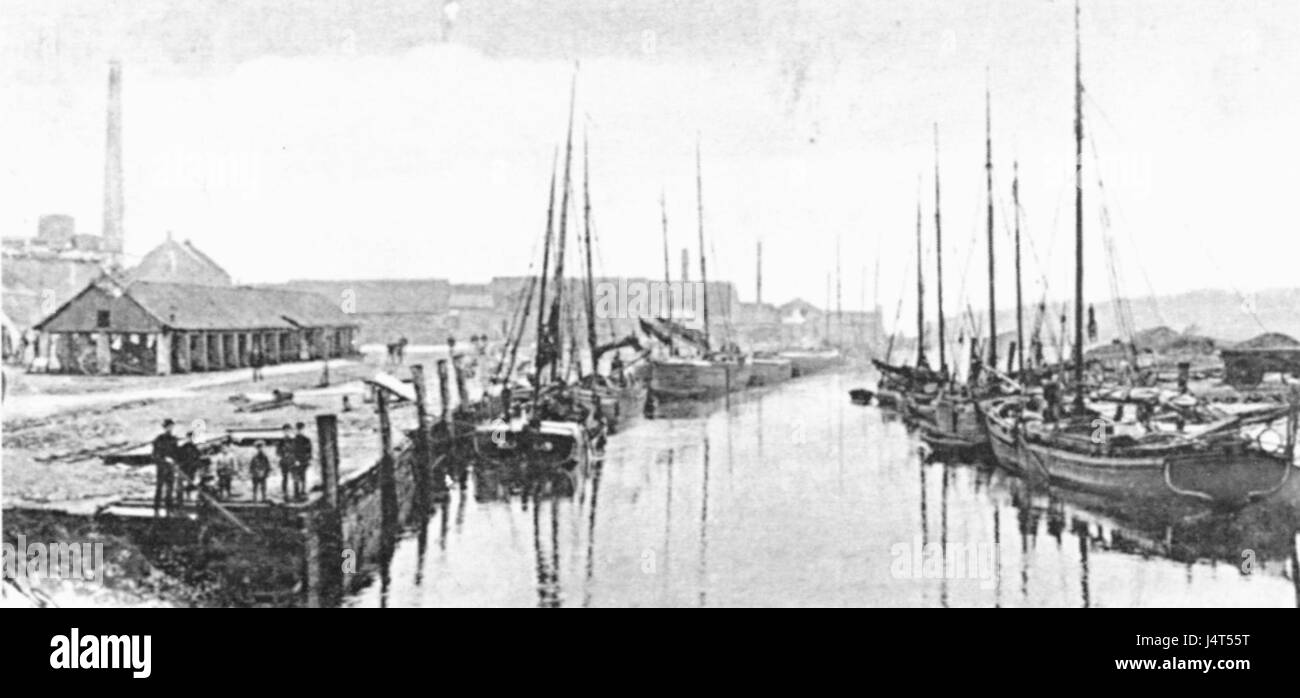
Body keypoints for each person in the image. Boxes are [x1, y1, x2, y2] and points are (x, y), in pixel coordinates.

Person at [152, 419, 179, 514]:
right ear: (165, 427)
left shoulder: (174, 439)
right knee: (159, 487)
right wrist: (164, 459)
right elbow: (155, 455)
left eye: (172, 426)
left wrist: (175, 461)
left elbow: (176, 453)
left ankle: (169, 508)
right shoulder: (159, 439)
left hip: (171, 468)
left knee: (170, 488)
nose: (170, 428)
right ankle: (156, 508)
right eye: (169, 426)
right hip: (162, 468)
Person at [176, 432, 203, 503]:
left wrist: (198, 468)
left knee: (190, 483)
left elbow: (198, 458)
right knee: (181, 484)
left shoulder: (195, 448)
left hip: (191, 468)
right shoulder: (182, 447)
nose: (190, 439)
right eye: (188, 438)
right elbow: (178, 457)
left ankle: (188, 497)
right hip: (183, 468)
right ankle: (179, 500)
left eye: (191, 438)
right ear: (186, 438)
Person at [292, 422, 312, 501]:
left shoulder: (307, 440)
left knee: (303, 477)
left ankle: (303, 491)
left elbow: (309, 451)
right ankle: (296, 493)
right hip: (296, 462)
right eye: (298, 429)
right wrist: (295, 460)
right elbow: (292, 451)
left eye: (301, 429)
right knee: (296, 477)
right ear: (296, 430)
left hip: (304, 461)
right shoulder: (294, 440)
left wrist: (308, 459)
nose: (300, 431)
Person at [276, 424, 296, 501]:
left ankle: (295, 493)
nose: (287, 432)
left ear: (290, 431)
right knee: (285, 478)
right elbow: (277, 452)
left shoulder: (293, 441)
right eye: (285, 431)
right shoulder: (280, 441)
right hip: (284, 462)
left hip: (292, 461)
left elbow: (296, 451)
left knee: (294, 478)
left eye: (288, 430)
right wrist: (283, 454)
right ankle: (285, 493)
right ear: (283, 431)